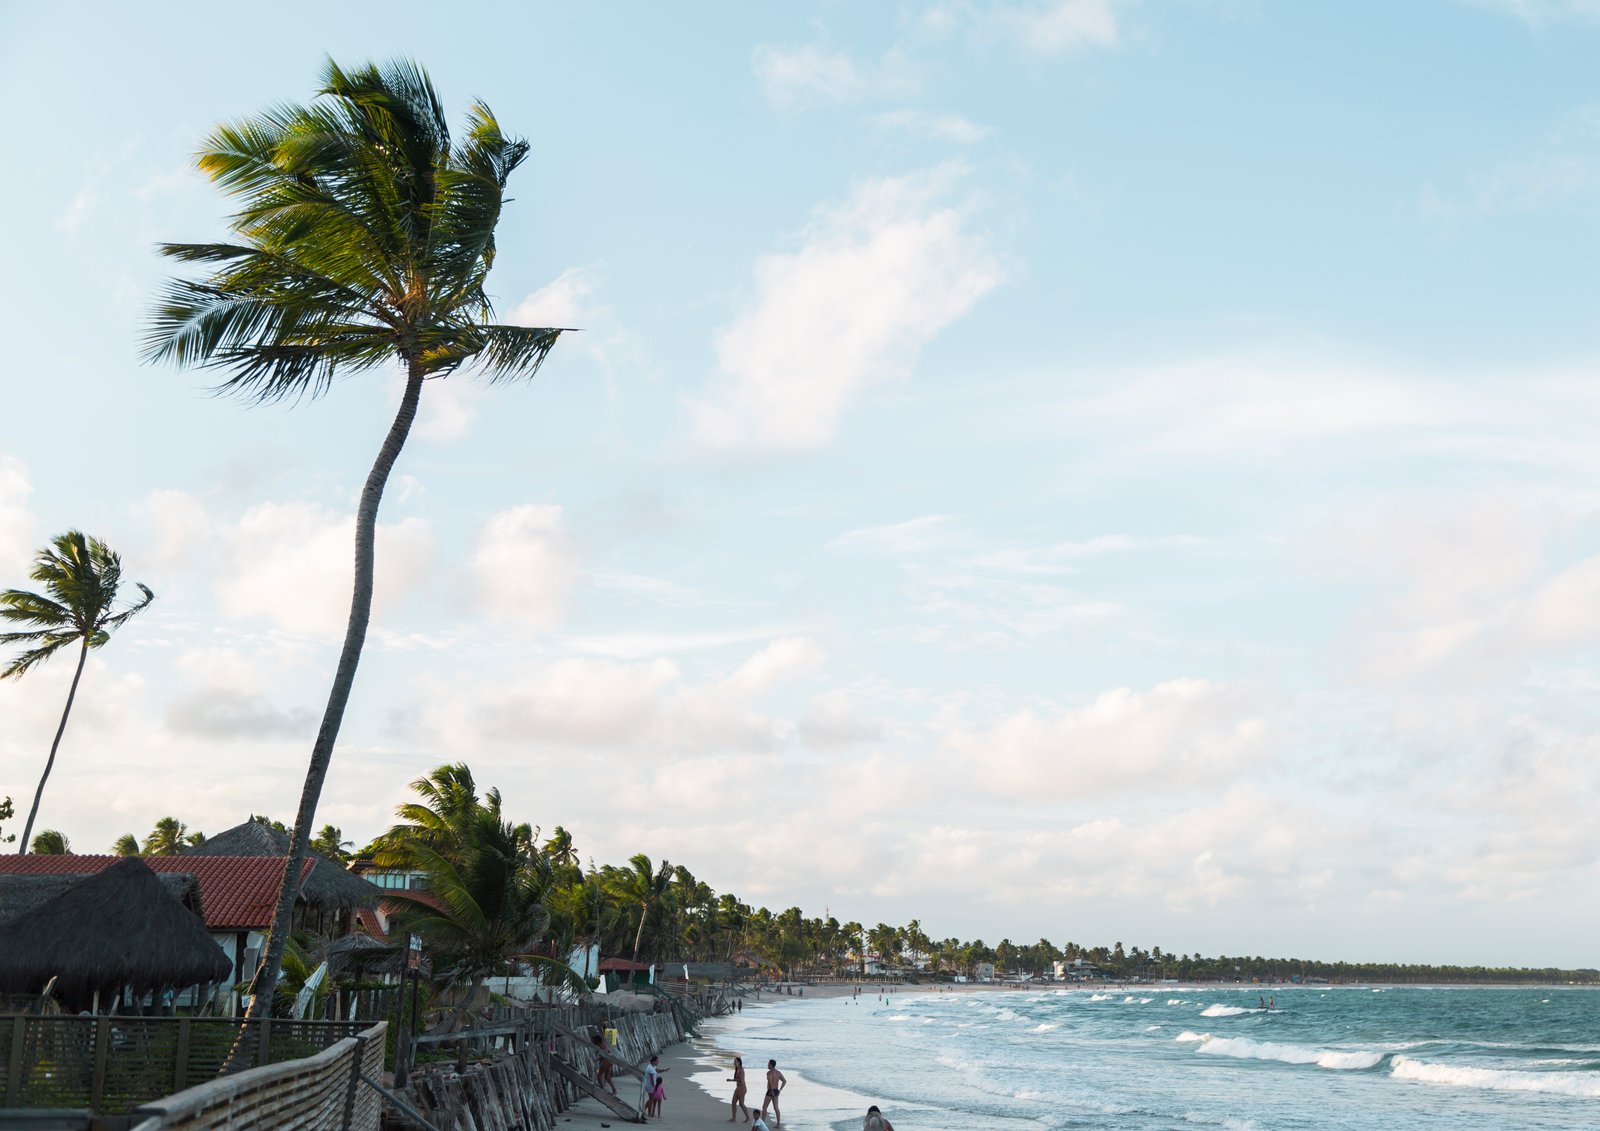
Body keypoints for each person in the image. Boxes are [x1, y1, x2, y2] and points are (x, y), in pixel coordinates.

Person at [761, 1058, 787, 1125]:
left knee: (764, 1107)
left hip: (770, 1091)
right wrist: (779, 1090)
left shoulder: (769, 1073)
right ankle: (778, 1124)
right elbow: (784, 1081)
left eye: (768, 1064)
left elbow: (770, 1082)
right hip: (776, 1091)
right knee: (776, 1108)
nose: (767, 1065)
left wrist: (771, 1091)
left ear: (771, 1065)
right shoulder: (778, 1073)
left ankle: (763, 1122)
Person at [592, 1030, 617, 1096]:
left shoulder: (602, 1045)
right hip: (610, 1061)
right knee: (607, 1076)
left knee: (599, 1074)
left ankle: (602, 1088)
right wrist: (598, 1059)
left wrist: (599, 1057)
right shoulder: (603, 1045)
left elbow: (605, 1054)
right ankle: (614, 1090)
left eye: (594, 1041)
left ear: (597, 1042)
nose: (593, 1042)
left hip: (606, 1061)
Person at [728, 1055, 749, 1122]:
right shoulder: (737, 1069)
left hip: (742, 1088)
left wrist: (731, 1080)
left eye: (735, 1062)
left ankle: (748, 1117)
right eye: (734, 1062)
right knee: (733, 1102)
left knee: (741, 1104)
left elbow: (740, 1080)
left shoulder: (741, 1070)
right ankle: (734, 1118)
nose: (734, 1063)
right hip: (738, 1088)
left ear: (739, 1062)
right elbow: (737, 1079)